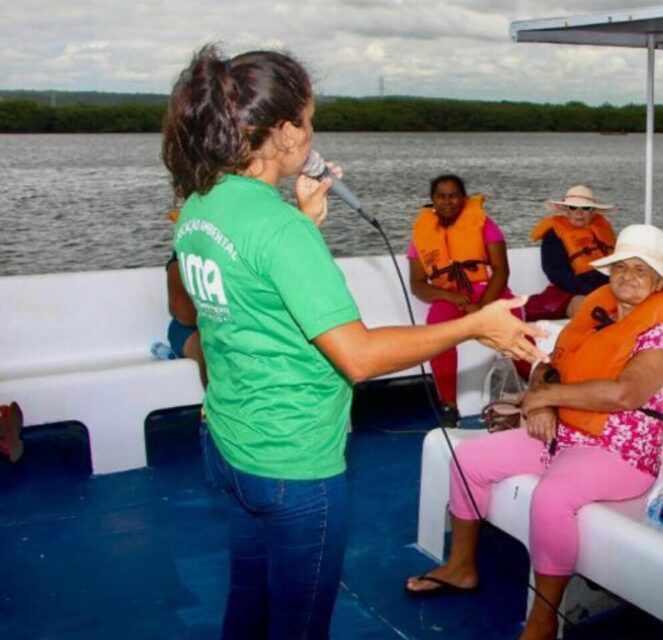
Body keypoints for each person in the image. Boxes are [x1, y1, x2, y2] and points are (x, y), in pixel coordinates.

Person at [162, 45, 545, 640]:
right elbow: (358, 357)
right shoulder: (277, 230)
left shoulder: (199, 206)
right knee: (299, 626)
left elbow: (246, 302)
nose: (313, 132)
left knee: (247, 603)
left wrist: (303, 221)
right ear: (286, 131)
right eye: (310, 119)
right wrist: (474, 324)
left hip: (230, 441)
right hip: (293, 460)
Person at [404, 225, 663, 640]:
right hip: (563, 435)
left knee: (551, 496)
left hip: (620, 456)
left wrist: (546, 395)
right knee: (469, 459)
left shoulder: (662, 338)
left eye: (641, 270)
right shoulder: (595, 318)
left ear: (660, 282)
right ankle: (462, 567)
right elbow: (553, 364)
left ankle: (543, 621)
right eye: (621, 266)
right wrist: (545, 398)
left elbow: (624, 394)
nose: (627, 276)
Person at [408, 174, 523, 415]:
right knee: (437, 330)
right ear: (432, 199)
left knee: (515, 329)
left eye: (453, 196)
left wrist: (481, 308)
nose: (447, 202)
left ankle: (541, 387)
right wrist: (450, 297)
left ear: (464, 198)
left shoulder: (484, 224)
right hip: (450, 296)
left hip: (489, 292)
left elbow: (502, 270)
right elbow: (418, 284)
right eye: (441, 196)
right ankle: (449, 404)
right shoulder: (421, 233)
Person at [525, 185, 615, 320]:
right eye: (573, 207)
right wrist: (591, 292)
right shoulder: (553, 235)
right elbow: (557, 274)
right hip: (571, 291)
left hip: (608, 288)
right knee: (588, 308)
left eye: (585, 208)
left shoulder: (604, 232)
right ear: (566, 210)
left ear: (593, 211)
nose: (579, 213)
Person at [163, 207, 208, 385]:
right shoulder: (185, 250)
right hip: (190, 329)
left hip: (235, 326)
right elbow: (181, 311)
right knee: (213, 348)